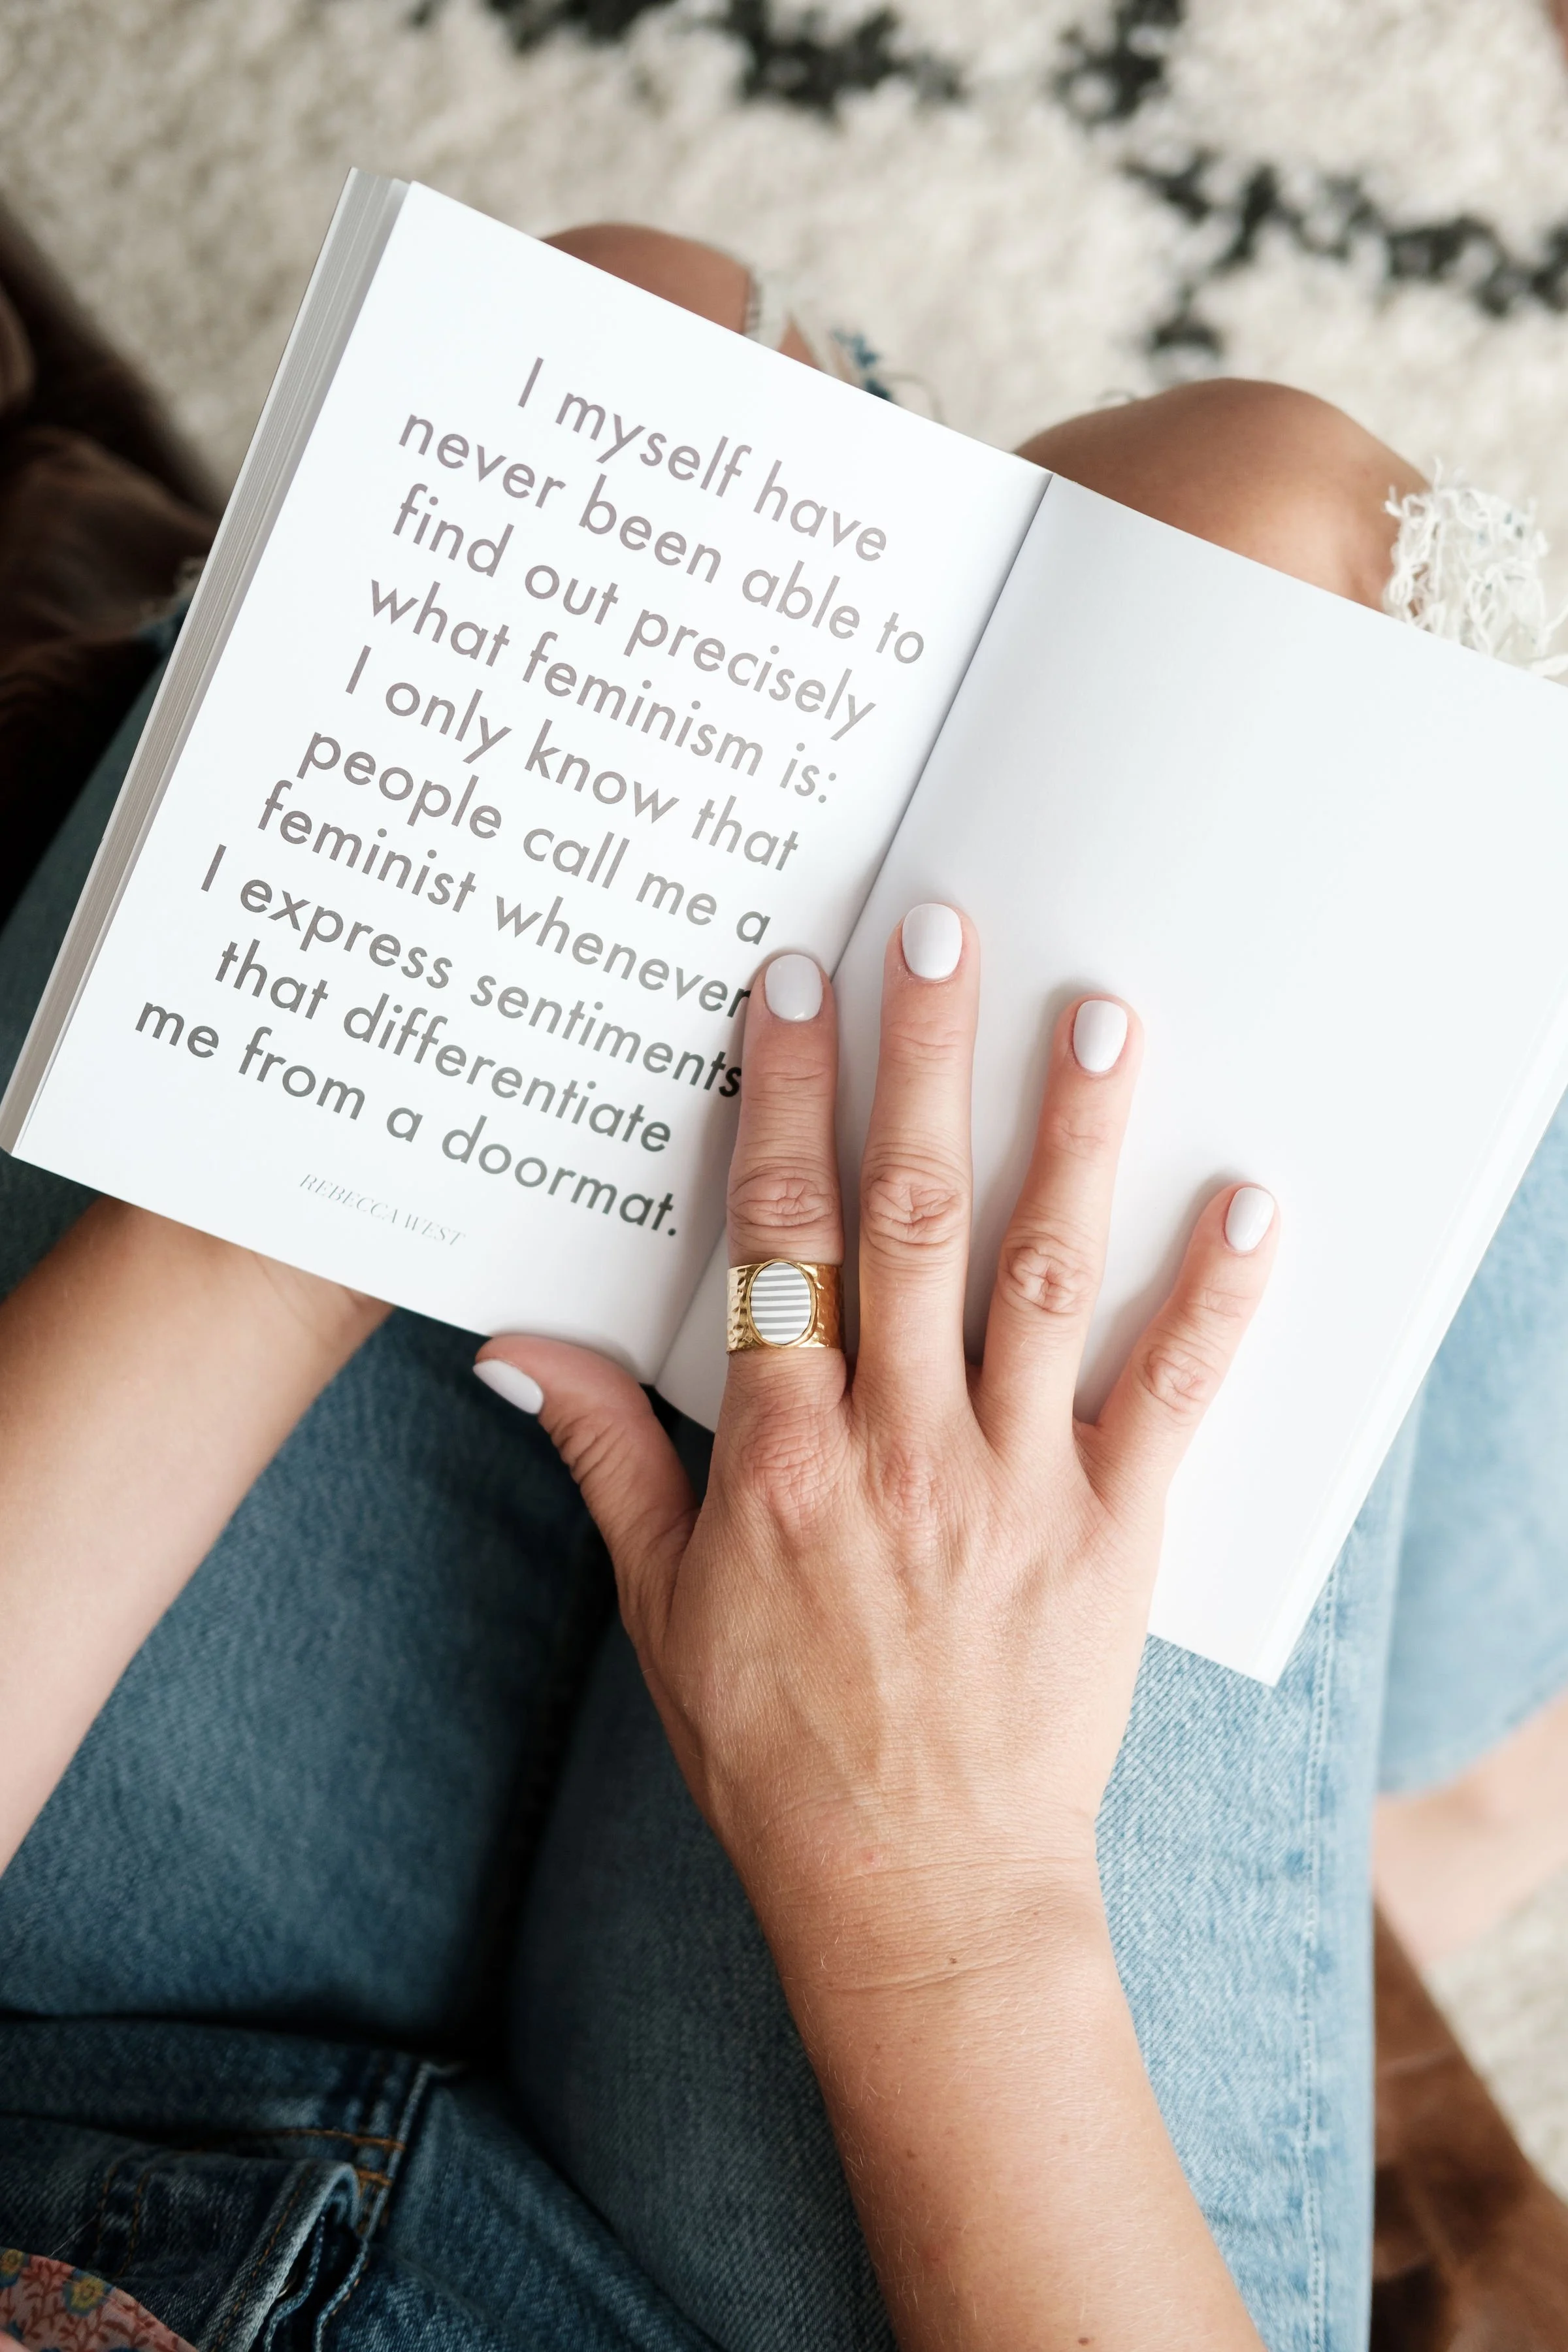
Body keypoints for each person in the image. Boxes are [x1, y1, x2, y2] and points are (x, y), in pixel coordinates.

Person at [2, 220, 1568, 2352]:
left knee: (635, 361)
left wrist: (288, 1162)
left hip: (73, 2061)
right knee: (1284, 564)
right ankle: (1462, 1779)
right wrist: (946, 1896)